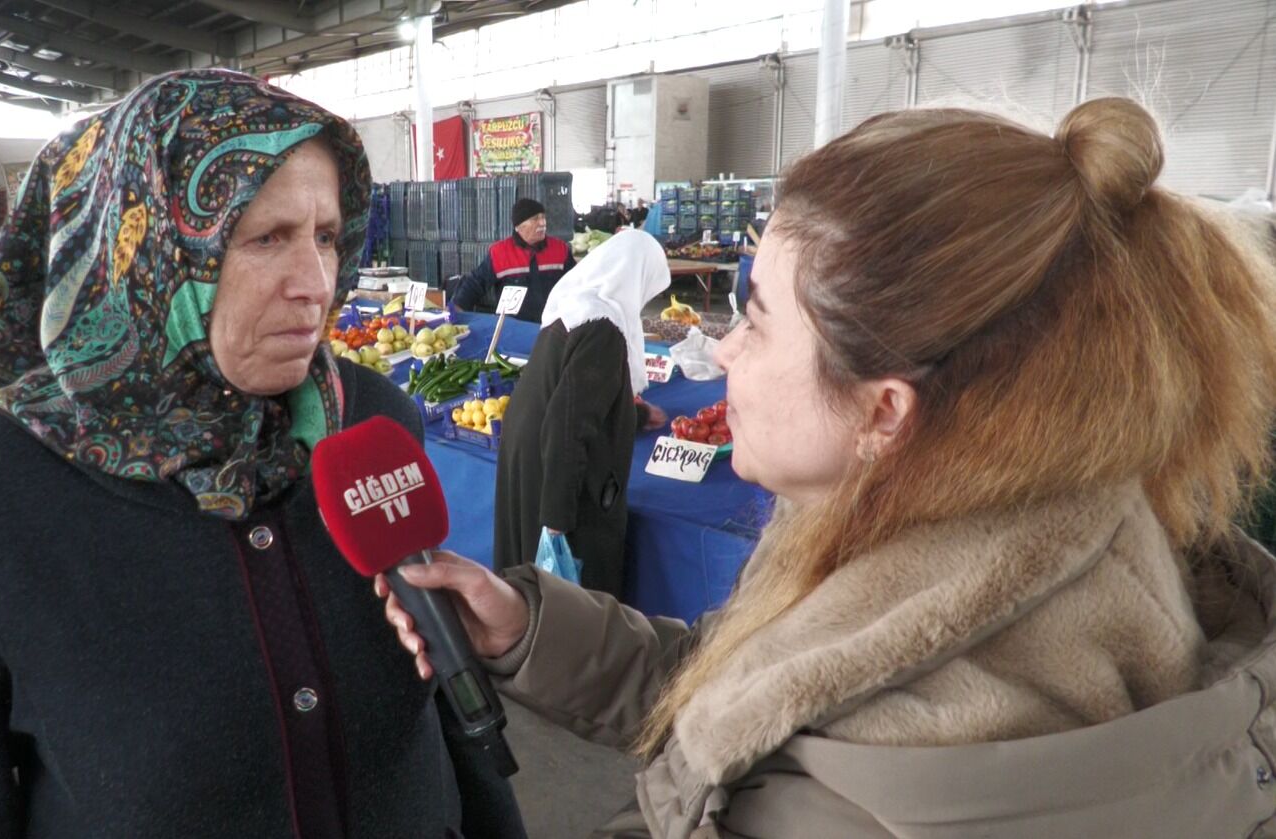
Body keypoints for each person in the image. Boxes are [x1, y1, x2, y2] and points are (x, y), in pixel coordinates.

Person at [379, 98, 1276, 837]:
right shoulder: (998, 525)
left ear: (884, 410)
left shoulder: (873, 779)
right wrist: (530, 630)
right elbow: (749, 692)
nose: (722, 350)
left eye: (755, 319)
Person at [0, 70, 524, 839]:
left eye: (324, 235)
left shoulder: (372, 417)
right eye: (266, 238)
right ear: (147, 249)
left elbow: (444, 695)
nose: (316, 284)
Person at [493, 230, 671, 597]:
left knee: (524, 581)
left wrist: (636, 417)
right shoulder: (603, 329)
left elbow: (576, 395)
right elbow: (568, 426)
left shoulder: (575, 306)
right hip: (553, 469)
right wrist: (557, 521)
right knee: (565, 598)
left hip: (530, 451)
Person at [453, 198, 575, 322]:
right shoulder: (500, 252)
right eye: (535, 219)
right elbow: (476, 283)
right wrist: (456, 310)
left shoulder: (560, 249)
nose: (542, 223)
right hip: (513, 326)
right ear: (518, 226)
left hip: (552, 325)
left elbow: (576, 283)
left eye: (543, 217)